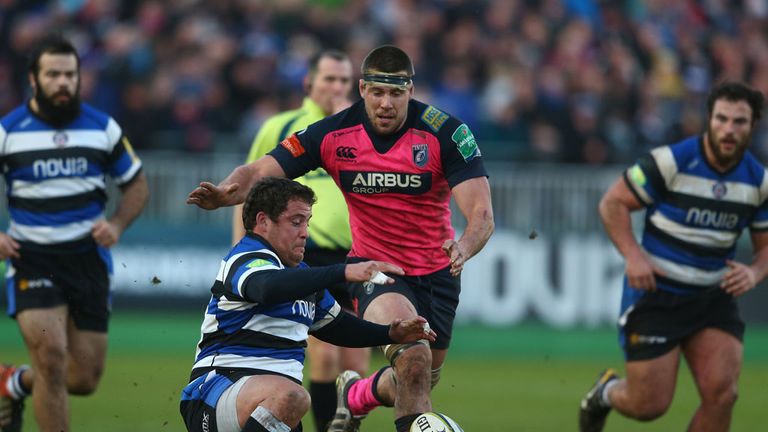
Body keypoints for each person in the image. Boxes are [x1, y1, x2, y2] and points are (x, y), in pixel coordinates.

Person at [187, 44, 494, 432]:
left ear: (410, 91)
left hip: (438, 274)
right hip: (376, 270)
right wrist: (226, 193)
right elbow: (262, 169)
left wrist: (463, 247)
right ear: (363, 89)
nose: (386, 103)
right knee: (413, 360)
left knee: (416, 378)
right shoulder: (333, 133)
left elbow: (482, 214)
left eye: (396, 94)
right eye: (378, 93)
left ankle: (356, 396)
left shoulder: (446, 132)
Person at [579, 81, 768, 432]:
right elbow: (612, 202)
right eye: (721, 119)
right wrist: (634, 256)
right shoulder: (671, 162)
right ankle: (606, 392)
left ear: (752, 125)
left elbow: (765, 246)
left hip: (714, 296)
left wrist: (756, 272)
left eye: (738, 122)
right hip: (658, 293)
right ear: (708, 119)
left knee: (723, 394)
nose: (728, 129)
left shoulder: (759, 182)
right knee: (648, 406)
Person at [180, 177, 436, 432]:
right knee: (293, 397)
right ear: (263, 222)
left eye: (307, 222)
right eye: (296, 222)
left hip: (269, 406)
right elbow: (266, 287)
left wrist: (389, 333)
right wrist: (343, 272)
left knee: (290, 398)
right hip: (216, 393)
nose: (305, 232)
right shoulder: (246, 257)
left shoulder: (300, 275)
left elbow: (337, 326)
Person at [0, 35, 148, 432]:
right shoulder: (8, 131)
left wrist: (116, 223)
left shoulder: (103, 128)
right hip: (32, 257)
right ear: (34, 79)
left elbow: (136, 184)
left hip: (88, 261)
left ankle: (13, 382)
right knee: (50, 356)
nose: (62, 82)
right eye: (53, 74)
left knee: (83, 379)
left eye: (70, 74)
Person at [231, 50, 368, 432]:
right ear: (309, 84)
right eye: (329, 79)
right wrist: (241, 248)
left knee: (356, 366)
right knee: (323, 355)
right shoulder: (282, 127)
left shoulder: (362, 131)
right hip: (307, 256)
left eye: (344, 81)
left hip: (358, 254)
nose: (336, 88)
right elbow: (249, 188)